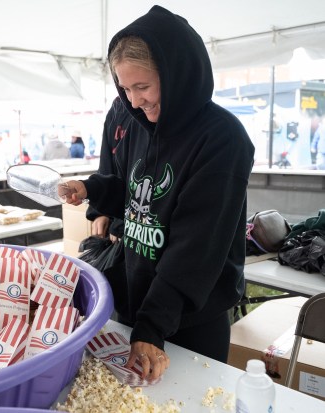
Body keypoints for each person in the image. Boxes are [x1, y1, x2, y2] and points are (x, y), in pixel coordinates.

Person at [60, 6, 255, 381]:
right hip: (141, 297)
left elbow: (194, 249)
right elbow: (134, 194)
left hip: (191, 313)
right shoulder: (136, 123)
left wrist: (151, 328)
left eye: (143, 87)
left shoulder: (222, 139)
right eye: (125, 89)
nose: (134, 102)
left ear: (176, 75)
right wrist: (92, 190)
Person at [86, 96, 133, 243]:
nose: (135, 99)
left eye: (142, 87)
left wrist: (121, 222)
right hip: (117, 219)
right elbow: (106, 163)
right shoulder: (118, 107)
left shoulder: (152, 111)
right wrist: (101, 212)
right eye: (125, 88)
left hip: (141, 223)